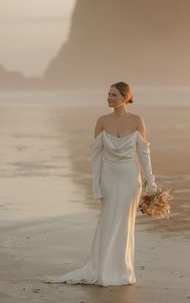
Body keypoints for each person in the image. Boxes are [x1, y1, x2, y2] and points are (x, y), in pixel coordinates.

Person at [44, 81, 157, 286]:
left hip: (131, 180)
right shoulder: (102, 121)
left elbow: (143, 152)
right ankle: (103, 270)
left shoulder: (137, 120)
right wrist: (95, 183)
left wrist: (151, 180)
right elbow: (96, 156)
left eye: (113, 95)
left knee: (125, 224)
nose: (108, 98)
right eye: (108, 94)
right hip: (109, 177)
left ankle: (123, 271)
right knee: (107, 221)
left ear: (125, 97)